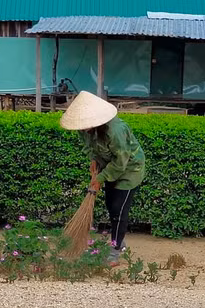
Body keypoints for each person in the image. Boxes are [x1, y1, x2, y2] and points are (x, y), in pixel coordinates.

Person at [60, 91, 146, 266]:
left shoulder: (116, 131)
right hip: (108, 167)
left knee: (119, 211)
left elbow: (121, 162)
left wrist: (100, 178)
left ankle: (114, 252)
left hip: (129, 170)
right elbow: (91, 147)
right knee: (110, 206)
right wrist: (94, 160)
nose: (82, 128)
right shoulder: (84, 129)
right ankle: (119, 240)